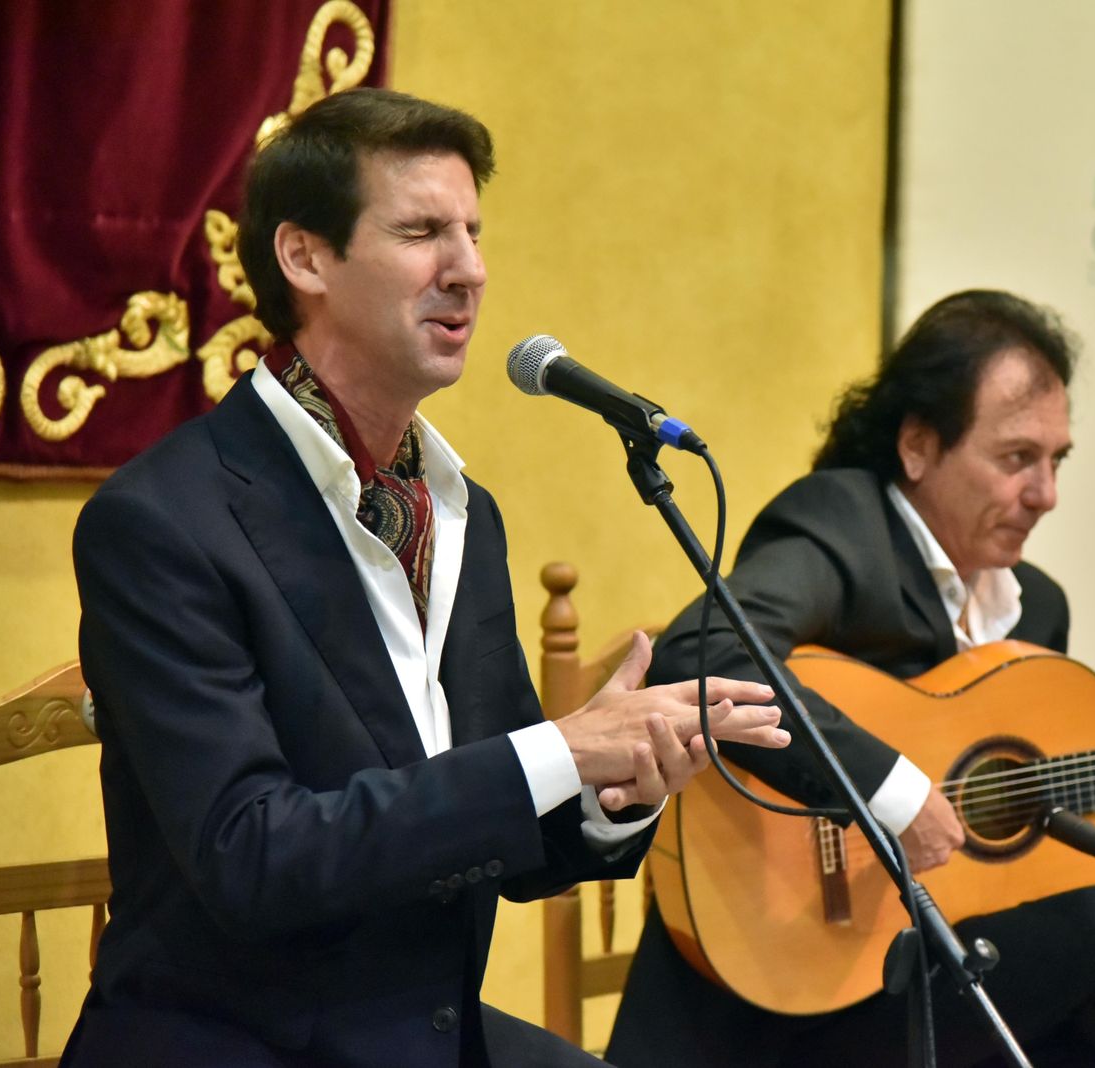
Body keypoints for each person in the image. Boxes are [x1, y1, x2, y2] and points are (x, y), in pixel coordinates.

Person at [63, 87, 788, 1068]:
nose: (470, 271)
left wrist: (618, 788)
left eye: (475, 234)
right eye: (420, 232)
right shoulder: (160, 523)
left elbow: (503, 818)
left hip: (422, 1031)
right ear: (304, 256)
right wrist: (563, 751)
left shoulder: (458, 512)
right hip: (237, 1037)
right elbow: (254, 855)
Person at [606, 290, 1095, 1067]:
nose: (1046, 494)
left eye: (1056, 460)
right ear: (918, 446)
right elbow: (702, 652)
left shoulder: (1035, 611)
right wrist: (893, 792)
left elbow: (1045, 871)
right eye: (1016, 459)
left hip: (920, 983)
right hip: (776, 1001)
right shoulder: (842, 528)